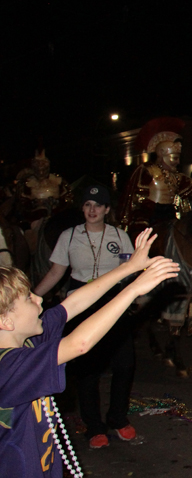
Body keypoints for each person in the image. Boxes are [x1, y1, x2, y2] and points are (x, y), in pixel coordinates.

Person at [0, 230, 179, 478]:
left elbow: (74, 303)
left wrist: (128, 268)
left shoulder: (27, 341)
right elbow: (79, 343)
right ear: (6, 322)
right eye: (27, 298)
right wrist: (134, 289)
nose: (38, 298)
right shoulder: (9, 367)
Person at [33, 185, 139, 448]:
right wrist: (33, 297)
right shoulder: (69, 236)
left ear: (106, 210)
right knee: (87, 367)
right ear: (82, 208)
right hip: (80, 300)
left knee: (124, 363)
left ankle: (117, 417)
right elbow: (56, 273)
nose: (92, 210)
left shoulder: (119, 235)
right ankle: (94, 427)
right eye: (88, 205)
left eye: (98, 205)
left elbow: (130, 270)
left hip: (112, 300)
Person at [118, 117, 192, 240]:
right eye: (174, 158)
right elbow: (133, 197)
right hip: (150, 215)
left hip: (170, 214)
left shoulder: (177, 177)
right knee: (141, 237)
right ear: (161, 154)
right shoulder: (147, 170)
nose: (178, 162)